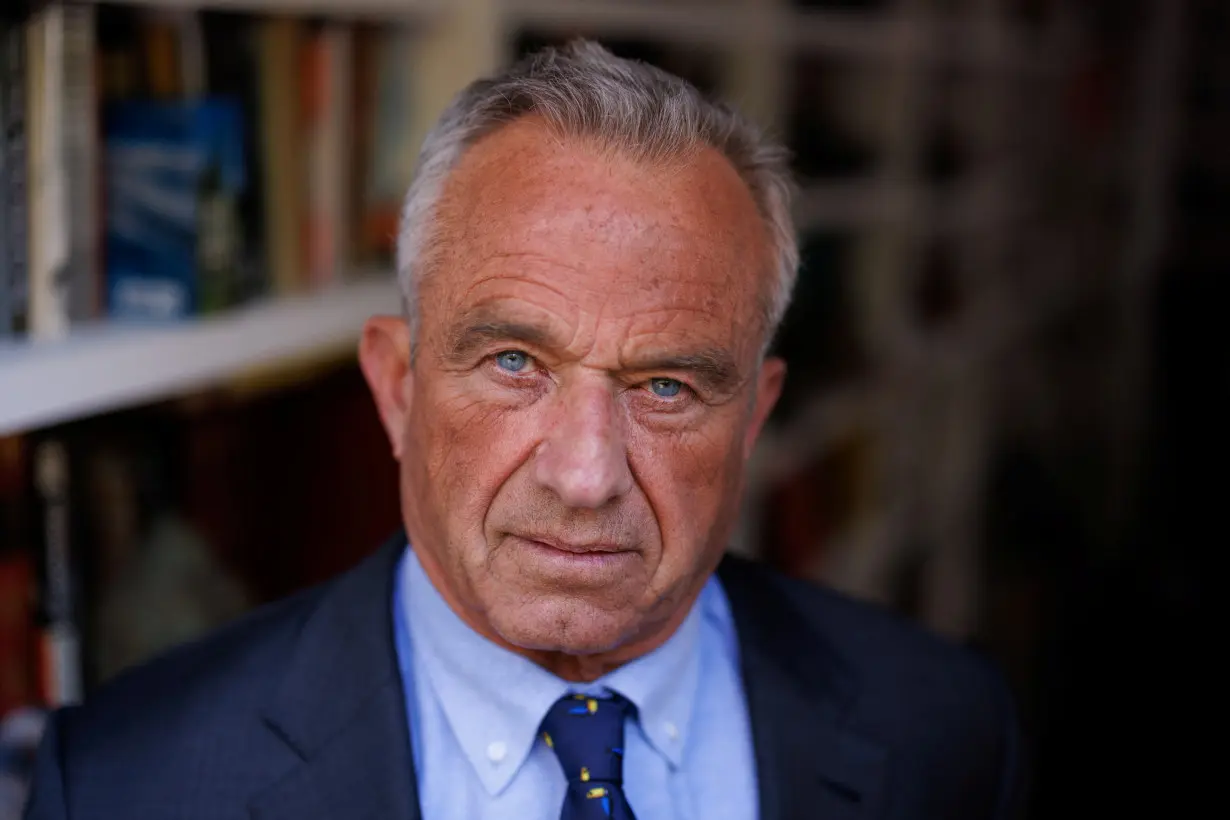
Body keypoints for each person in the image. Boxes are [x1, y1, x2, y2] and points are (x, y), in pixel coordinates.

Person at [23, 41, 1023, 820]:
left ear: (755, 415)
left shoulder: (943, 728)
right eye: (514, 364)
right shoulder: (130, 784)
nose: (586, 476)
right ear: (397, 386)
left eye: (667, 385)